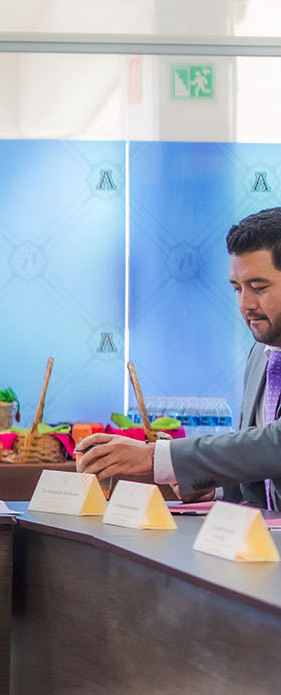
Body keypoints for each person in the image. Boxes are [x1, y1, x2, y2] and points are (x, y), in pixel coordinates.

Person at [80, 206, 281, 503]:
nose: (245, 304)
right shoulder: (259, 356)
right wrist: (217, 490)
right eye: (237, 289)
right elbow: (259, 470)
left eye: (258, 287)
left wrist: (154, 457)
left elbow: (274, 445)